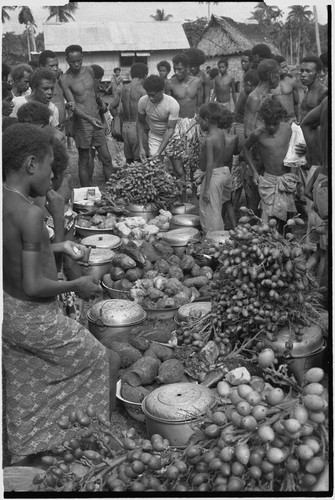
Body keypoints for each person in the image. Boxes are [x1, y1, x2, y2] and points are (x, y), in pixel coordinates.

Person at [2, 123, 120, 465]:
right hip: (34, 315)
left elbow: (15, 252)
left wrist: (58, 244)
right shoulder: (30, 213)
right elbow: (35, 285)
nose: (53, 176)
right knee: (101, 360)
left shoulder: (6, 200)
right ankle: (97, 442)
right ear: (30, 165)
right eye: (51, 166)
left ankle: (25, 451)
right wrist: (76, 285)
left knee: (27, 377)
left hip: (8, 311)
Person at [60, 45, 114, 186]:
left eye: (79, 60)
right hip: (82, 122)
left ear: (82, 57)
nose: (76, 64)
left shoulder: (90, 70)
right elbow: (72, 105)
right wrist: (89, 119)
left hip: (96, 117)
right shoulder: (65, 79)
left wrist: (100, 104)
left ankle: (113, 192)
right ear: (67, 60)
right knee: (84, 159)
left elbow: (94, 93)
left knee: (107, 158)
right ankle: (86, 194)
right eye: (72, 62)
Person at [243, 97, 299, 233]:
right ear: (263, 120)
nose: (272, 127)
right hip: (269, 181)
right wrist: (254, 172)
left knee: (286, 219)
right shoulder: (258, 134)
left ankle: (285, 244)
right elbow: (245, 148)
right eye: (268, 124)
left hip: (286, 180)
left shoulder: (288, 130)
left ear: (280, 119)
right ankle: (267, 244)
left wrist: (295, 173)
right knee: (267, 219)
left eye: (275, 123)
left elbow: (297, 150)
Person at [243, 59, 281, 215]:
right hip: (258, 155)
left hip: (271, 154)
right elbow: (247, 131)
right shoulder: (255, 97)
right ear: (272, 76)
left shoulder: (271, 96)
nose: (279, 77)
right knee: (255, 198)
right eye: (278, 74)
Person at [302, 97, 328, 293]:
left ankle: (300, 284)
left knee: (321, 249)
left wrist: (323, 161)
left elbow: (306, 124)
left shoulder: (327, 101)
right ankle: (318, 294)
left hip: (323, 178)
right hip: (326, 182)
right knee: (327, 252)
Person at [197, 102, 233, 234]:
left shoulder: (209, 139)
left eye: (200, 119)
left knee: (211, 214)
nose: (199, 122)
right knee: (217, 209)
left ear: (206, 119)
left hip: (214, 176)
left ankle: (214, 241)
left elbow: (209, 164)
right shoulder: (220, 133)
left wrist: (206, 189)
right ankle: (219, 238)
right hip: (223, 172)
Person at [110, 62, 148, 164]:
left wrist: (118, 118)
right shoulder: (143, 91)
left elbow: (111, 107)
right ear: (145, 75)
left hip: (125, 127)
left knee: (129, 161)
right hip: (138, 129)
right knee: (141, 161)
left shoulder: (123, 89)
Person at [137, 74, 179, 161]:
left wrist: (159, 152)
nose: (151, 98)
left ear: (161, 90)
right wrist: (141, 148)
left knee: (178, 170)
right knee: (157, 166)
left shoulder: (172, 104)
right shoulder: (143, 101)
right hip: (155, 136)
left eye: (153, 95)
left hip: (172, 137)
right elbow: (140, 123)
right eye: (149, 95)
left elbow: (170, 129)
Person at [165, 53, 202, 119]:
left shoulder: (197, 82)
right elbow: (169, 107)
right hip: (177, 121)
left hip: (194, 121)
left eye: (179, 69)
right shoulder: (170, 83)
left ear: (187, 67)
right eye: (174, 69)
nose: (176, 72)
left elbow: (200, 105)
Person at [219, 108, 240, 222]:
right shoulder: (234, 138)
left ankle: (218, 225)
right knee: (228, 201)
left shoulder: (213, 138)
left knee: (216, 201)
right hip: (227, 173)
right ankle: (234, 226)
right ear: (231, 125)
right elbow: (236, 152)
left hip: (215, 173)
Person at [39, 49, 67, 132]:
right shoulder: (38, 85)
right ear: (42, 66)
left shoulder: (58, 82)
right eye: (51, 66)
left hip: (61, 128)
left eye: (56, 65)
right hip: (49, 129)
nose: (55, 69)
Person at [271, 54, 300, 124]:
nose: (286, 69)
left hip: (292, 119)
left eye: (286, 66)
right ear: (276, 68)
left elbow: (297, 103)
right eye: (283, 67)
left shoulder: (291, 81)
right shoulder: (269, 84)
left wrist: (299, 120)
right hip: (276, 122)